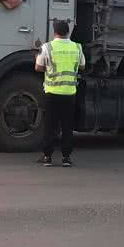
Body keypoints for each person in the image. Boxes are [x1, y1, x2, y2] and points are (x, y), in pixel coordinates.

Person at [35, 20, 85, 167]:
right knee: (67, 126)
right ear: (67, 32)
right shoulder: (77, 47)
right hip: (69, 93)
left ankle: (47, 157)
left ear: (54, 32)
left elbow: (38, 67)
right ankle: (66, 158)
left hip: (52, 92)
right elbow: (82, 66)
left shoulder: (47, 47)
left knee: (50, 126)